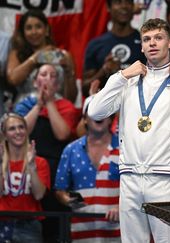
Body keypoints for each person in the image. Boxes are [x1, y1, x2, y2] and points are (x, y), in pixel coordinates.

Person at [87, 18, 170, 243]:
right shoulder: (128, 82)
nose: (152, 43)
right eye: (147, 39)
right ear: (141, 46)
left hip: (165, 178)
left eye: (158, 38)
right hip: (130, 176)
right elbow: (94, 111)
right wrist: (121, 76)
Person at [13, 63, 80, 242]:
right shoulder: (25, 104)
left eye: (52, 76)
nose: (48, 80)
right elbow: (18, 132)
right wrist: (38, 106)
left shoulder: (65, 106)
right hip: (27, 166)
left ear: (58, 85)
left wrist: (49, 103)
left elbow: (62, 134)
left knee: (53, 224)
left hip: (56, 167)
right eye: (43, 75)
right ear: (35, 82)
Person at [55, 96, 121, 242]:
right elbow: (60, 190)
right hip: (81, 233)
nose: (99, 115)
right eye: (94, 111)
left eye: (103, 112)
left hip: (118, 234)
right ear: (84, 119)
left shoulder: (125, 148)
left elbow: (137, 187)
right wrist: (69, 200)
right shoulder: (70, 150)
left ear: (110, 119)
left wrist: (121, 206)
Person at [6, 9, 77, 104]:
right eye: (29, 28)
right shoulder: (17, 54)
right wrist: (36, 57)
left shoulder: (63, 55)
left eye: (38, 27)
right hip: (26, 110)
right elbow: (13, 79)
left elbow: (71, 99)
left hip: (57, 110)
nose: (34, 32)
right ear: (23, 32)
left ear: (46, 30)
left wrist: (69, 73)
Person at [0, 113, 50, 243]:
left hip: (30, 225)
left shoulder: (40, 162)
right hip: (2, 222)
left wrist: (31, 167)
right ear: (5, 135)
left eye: (21, 127)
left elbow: (39, 195)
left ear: (26, 131)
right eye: (12, 128)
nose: (18, 132)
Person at [82, 0, 147, 97]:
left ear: (133, 6)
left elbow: (155, 80)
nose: (124, 6)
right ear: (108, 7)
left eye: (128, 2)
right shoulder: (95, 45)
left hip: (138, 107)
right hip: (105, 110)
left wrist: (121, 72)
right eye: (118, 2)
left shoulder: (146, 42)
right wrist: (104, 70)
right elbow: (85, 89)